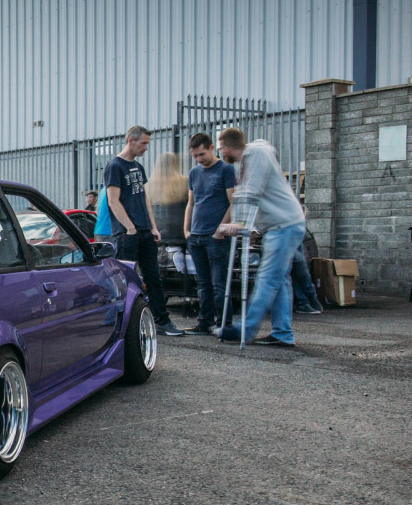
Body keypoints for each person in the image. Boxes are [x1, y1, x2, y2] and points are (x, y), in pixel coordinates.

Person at [216, 127, 306, 347]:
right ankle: (282, 333)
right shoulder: (245, 163)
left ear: (228, 147)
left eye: (220, 149)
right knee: (280, 279)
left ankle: (244, 330)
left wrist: (239, 225)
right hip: (281, 224)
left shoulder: (256, 155)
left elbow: (251, 193)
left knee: (267, 278)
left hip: (283, 225)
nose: (220, 154)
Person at [105, 126, 183, 336]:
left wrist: (153, 227)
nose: (146, 148)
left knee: (153, 277)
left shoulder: (138, 167)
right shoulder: (115, 166)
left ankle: (162, 321)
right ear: (131, 140)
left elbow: (144, 198)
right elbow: (113, 201)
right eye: (143, 143)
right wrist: (129, 228)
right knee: (126, 281)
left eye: (147, 143)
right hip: (127, 234)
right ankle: (125, 327)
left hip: (145, 231)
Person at [183, 132, 237, 335]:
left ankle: (225, 324)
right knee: (203, 284)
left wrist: (220, 230)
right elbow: (191, 202)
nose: (199, 159)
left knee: (219, 284)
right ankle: (204, 323)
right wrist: (186, 230)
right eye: (195, 156)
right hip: (196, 236)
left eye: (202, 154)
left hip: (216, 237)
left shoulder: (226, 170)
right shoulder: (194, 173)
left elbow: (234, 202)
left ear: (212, 148)